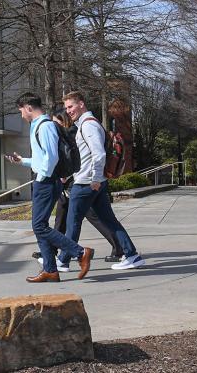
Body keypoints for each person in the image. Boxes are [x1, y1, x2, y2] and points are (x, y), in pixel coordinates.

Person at [7, 92, 94, 282]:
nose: (21, 114)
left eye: (21, 110)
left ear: (29, 108)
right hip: (45, 180)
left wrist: (43, 177)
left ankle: (80, 253)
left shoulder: (45, 126)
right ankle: (50, 270)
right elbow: (42, 158)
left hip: (46, 182)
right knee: (40, 226)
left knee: (39, 225)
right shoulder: (38, 126)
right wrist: (22, 161)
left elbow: (52, 157)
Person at [58, 91, 146, 271]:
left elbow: (99, 154)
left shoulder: (88, 126)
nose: (68, 111)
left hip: (87, 183)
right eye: (67, 108)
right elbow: (87, 156)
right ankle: (131, 255)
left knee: (73, 222)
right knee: (109, 221)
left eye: (71, 106)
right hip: (92, 181)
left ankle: (63, 260)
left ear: (81, 104)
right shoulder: (86, 124)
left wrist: (96, 179)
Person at [31, 108, 124, 270]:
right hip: (74, 182)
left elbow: (83, 158)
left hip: (79, 182)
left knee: (84, 219)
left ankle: (74, 254)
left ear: (63, 121)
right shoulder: (69, 132)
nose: (53, 124)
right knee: (65, 218)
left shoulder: (73, 132)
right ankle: (56, 253)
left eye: (56, 121)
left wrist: (92, 179)